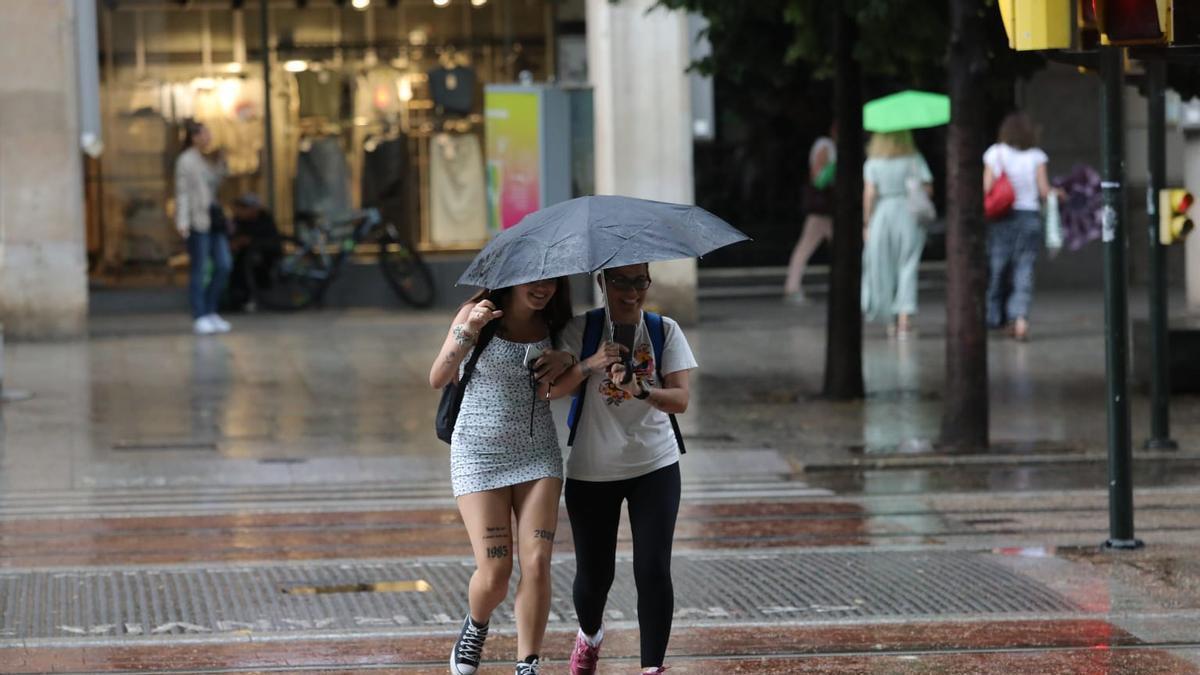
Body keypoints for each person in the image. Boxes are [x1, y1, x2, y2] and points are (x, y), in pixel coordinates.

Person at [539, 263, 698, 675]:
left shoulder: (664, 330)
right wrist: (590, 363)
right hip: (593, 469)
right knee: (594, 578)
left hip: (655, 464)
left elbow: (680, 399)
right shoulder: (580, 330)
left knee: (653, 569)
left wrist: (640, 389)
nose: (631, 291)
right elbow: (551, 391)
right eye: (620, 281)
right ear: (602, 282)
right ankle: (590, 636)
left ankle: (652, 668)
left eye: (639, 281)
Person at [428, 277, 574, 675]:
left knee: (537, 560)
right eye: (533, 281)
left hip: (537, 454)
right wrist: (469, 330)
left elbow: (560, 386)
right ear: (511, 278)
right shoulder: (477, 315)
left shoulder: (557, 326)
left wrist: (568, 359)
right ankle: (476, 625)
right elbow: (438, 376)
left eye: (551, 281)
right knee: (496, 573)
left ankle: (528, 663)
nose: (543, 288)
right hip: (478, 454)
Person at [984, 112, 1054, 341]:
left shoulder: (995, 153)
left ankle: (995, 316)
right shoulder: (1037, 156)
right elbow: (1044, 192)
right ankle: (1020, 318)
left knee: (998, 267)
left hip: (1002, 217)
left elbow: (987, 187)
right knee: (1024, 267)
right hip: (1029, 216)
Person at [861, 129, 933, 337]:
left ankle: (889, 319)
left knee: (883, 265)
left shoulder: (873, 162)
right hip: (909, 212)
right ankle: (904, 317)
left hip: (882, 214)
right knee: (908, 264)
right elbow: (928, 189)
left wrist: (867, 222)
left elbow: (870, 193)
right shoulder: (914, 158)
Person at [174, 119, 232, 335]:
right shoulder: (186, 161)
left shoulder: (204, 158)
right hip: (197, 221)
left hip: (213, 220)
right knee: (199, 269)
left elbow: (214, 184)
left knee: (224, 264)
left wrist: (222, 164)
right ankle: (200, 314)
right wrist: (182, 221)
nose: (209, 137)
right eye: (205, 134)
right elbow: (182, 192)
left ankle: (211, 310)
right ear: (194, 137)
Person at [784, 123, 837, 304]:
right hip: (823, 210)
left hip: (829, 210)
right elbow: (818, 177)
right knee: (805, 247)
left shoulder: (832, 146)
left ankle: (793, 287)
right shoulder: (825, 145)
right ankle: (792, 288)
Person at [226, 193, 282, 312]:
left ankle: (250, 298)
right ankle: (237, 299)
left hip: (263, 259)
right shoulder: (237, 221)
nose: (240, 211)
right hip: (239, 259)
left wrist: (250, 241)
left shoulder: (265, 221)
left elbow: (274, 243)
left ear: (254, 209)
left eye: (244, 208)